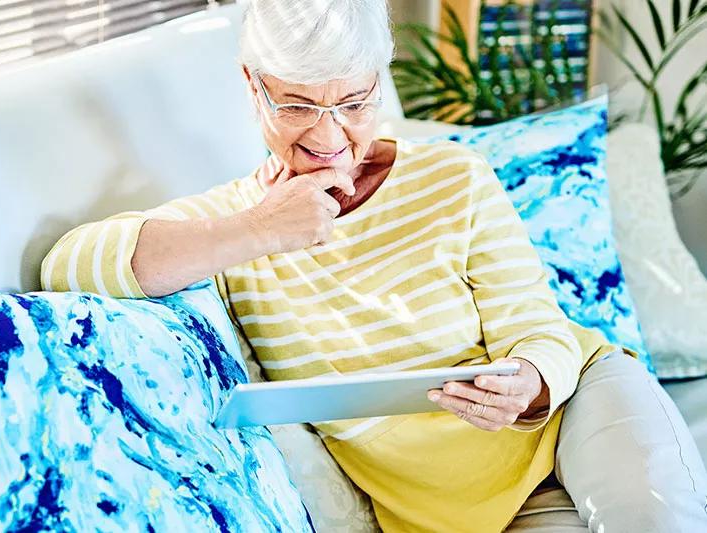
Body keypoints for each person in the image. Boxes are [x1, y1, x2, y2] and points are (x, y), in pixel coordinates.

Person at [41, 1, 707, 531]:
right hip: (467, 512)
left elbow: (538, 325)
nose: (330, 139)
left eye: (355, 103)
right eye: (298, 104)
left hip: (579, 406)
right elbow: (70, 266)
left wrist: (530, 377)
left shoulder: (453, 176)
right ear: (253, 87)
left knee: (654, 516)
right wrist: (258, 230)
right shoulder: (236, 227)